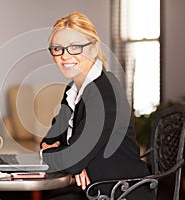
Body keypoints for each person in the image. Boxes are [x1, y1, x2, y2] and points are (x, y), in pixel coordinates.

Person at [40, 12, 155, 200]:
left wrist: (58, 156)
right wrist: (71, 157)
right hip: (94, 190)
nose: (64, 56)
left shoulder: (104, 92)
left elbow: (71, 159)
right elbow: (51, 138)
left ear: (93, 49)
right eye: (57, 48)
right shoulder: (73, 91)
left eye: (75, 47)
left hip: (119, 193)